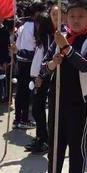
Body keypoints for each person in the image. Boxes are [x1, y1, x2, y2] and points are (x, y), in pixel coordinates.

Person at [39, 0, 87, 173]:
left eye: (80, 16)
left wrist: (66, 47)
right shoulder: (59, 37)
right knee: (55, 146)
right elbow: (44, 67)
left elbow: (85, 65)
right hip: (57, 99)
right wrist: (52, 63)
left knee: (76, 147)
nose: (75, 20)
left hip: (80, 102)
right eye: (71, 16)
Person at [14, 0, 46, 129]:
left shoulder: (23, 25)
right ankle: (24, 118)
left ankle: (17, 118)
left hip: (21, 59)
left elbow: (17, 44)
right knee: (27, 90)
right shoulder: (35, 27)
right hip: (30, 62)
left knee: (20, 90)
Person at [27, 12, 55, 153]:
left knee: (38, 109)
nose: (36, 26)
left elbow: (47, 60)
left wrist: (41, 76)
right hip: (36, 77)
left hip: (42, 78)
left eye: (38, 23)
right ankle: (40, 137)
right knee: (36, 110)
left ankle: (43, 139)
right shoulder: (40, 39)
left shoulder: (48, 38)